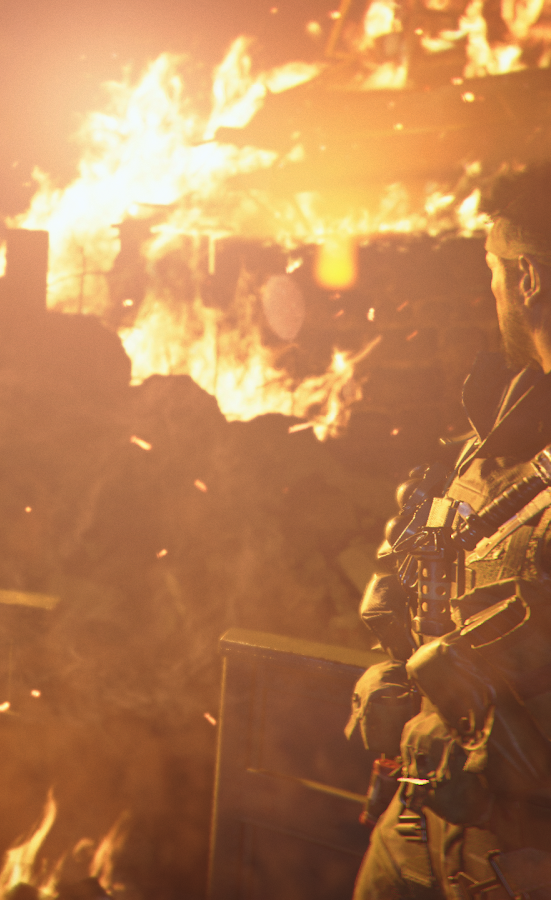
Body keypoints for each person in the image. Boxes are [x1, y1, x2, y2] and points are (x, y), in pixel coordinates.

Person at [351, 161, 551, 899]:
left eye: (493, 274)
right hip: (423, 820)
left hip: (521, 848)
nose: (489, 295)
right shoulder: (499, 427)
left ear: (527, 277)